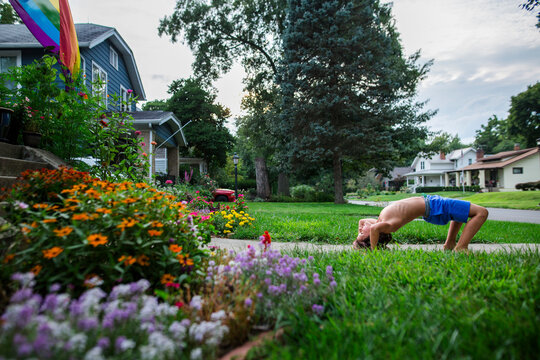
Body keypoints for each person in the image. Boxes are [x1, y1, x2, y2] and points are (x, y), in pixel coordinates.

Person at [353, 195, 488, 252]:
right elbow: (374, 229)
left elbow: (363, 221)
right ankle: (461, 247)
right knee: (482, 213)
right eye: (361, 233)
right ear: (372, 236)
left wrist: (361, 230)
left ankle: (450, 244)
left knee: (459, 214)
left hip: (432, 204)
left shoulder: (380, 222)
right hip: (435, 206)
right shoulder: (388, 226)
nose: (361, 228)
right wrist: (373, 249)